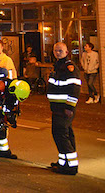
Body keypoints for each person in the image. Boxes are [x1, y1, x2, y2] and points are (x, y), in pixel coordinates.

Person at [48, 42, 81, 175]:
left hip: (64, 108)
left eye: (60, 51)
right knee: (64, 134)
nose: (57, 53)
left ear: (67, 52)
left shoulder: (69, 68)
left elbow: (75, 89)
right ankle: (63, 163)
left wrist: (69, 107)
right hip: (57, 108)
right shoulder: (58, 66)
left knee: (60, 134)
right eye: (56, 50)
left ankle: (71, 167)